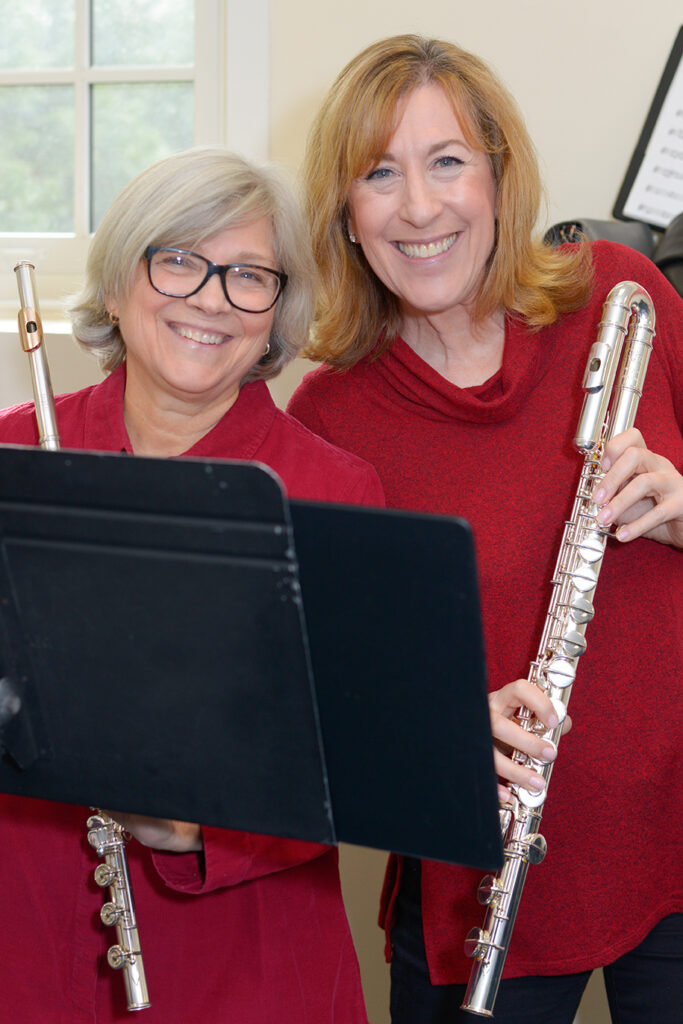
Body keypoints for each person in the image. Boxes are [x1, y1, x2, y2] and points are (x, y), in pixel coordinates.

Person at [287, 35, 683, 1024]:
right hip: (479, 895)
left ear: (500, 178)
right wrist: (441, 729)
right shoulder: (326, 420)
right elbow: (320, 704)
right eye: (377, 173)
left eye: (446, 161)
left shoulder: (620, 294)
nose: (418, 207)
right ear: (343, 210)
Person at [0, 147, 383, 1023]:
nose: (211, 296)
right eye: (176, 260)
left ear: (275, 313)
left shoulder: (333, 492)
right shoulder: (13, 460)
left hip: (243, 963)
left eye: (249, 275)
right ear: (114, 286)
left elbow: (350, 768)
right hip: (25, 945)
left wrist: (194, 831)